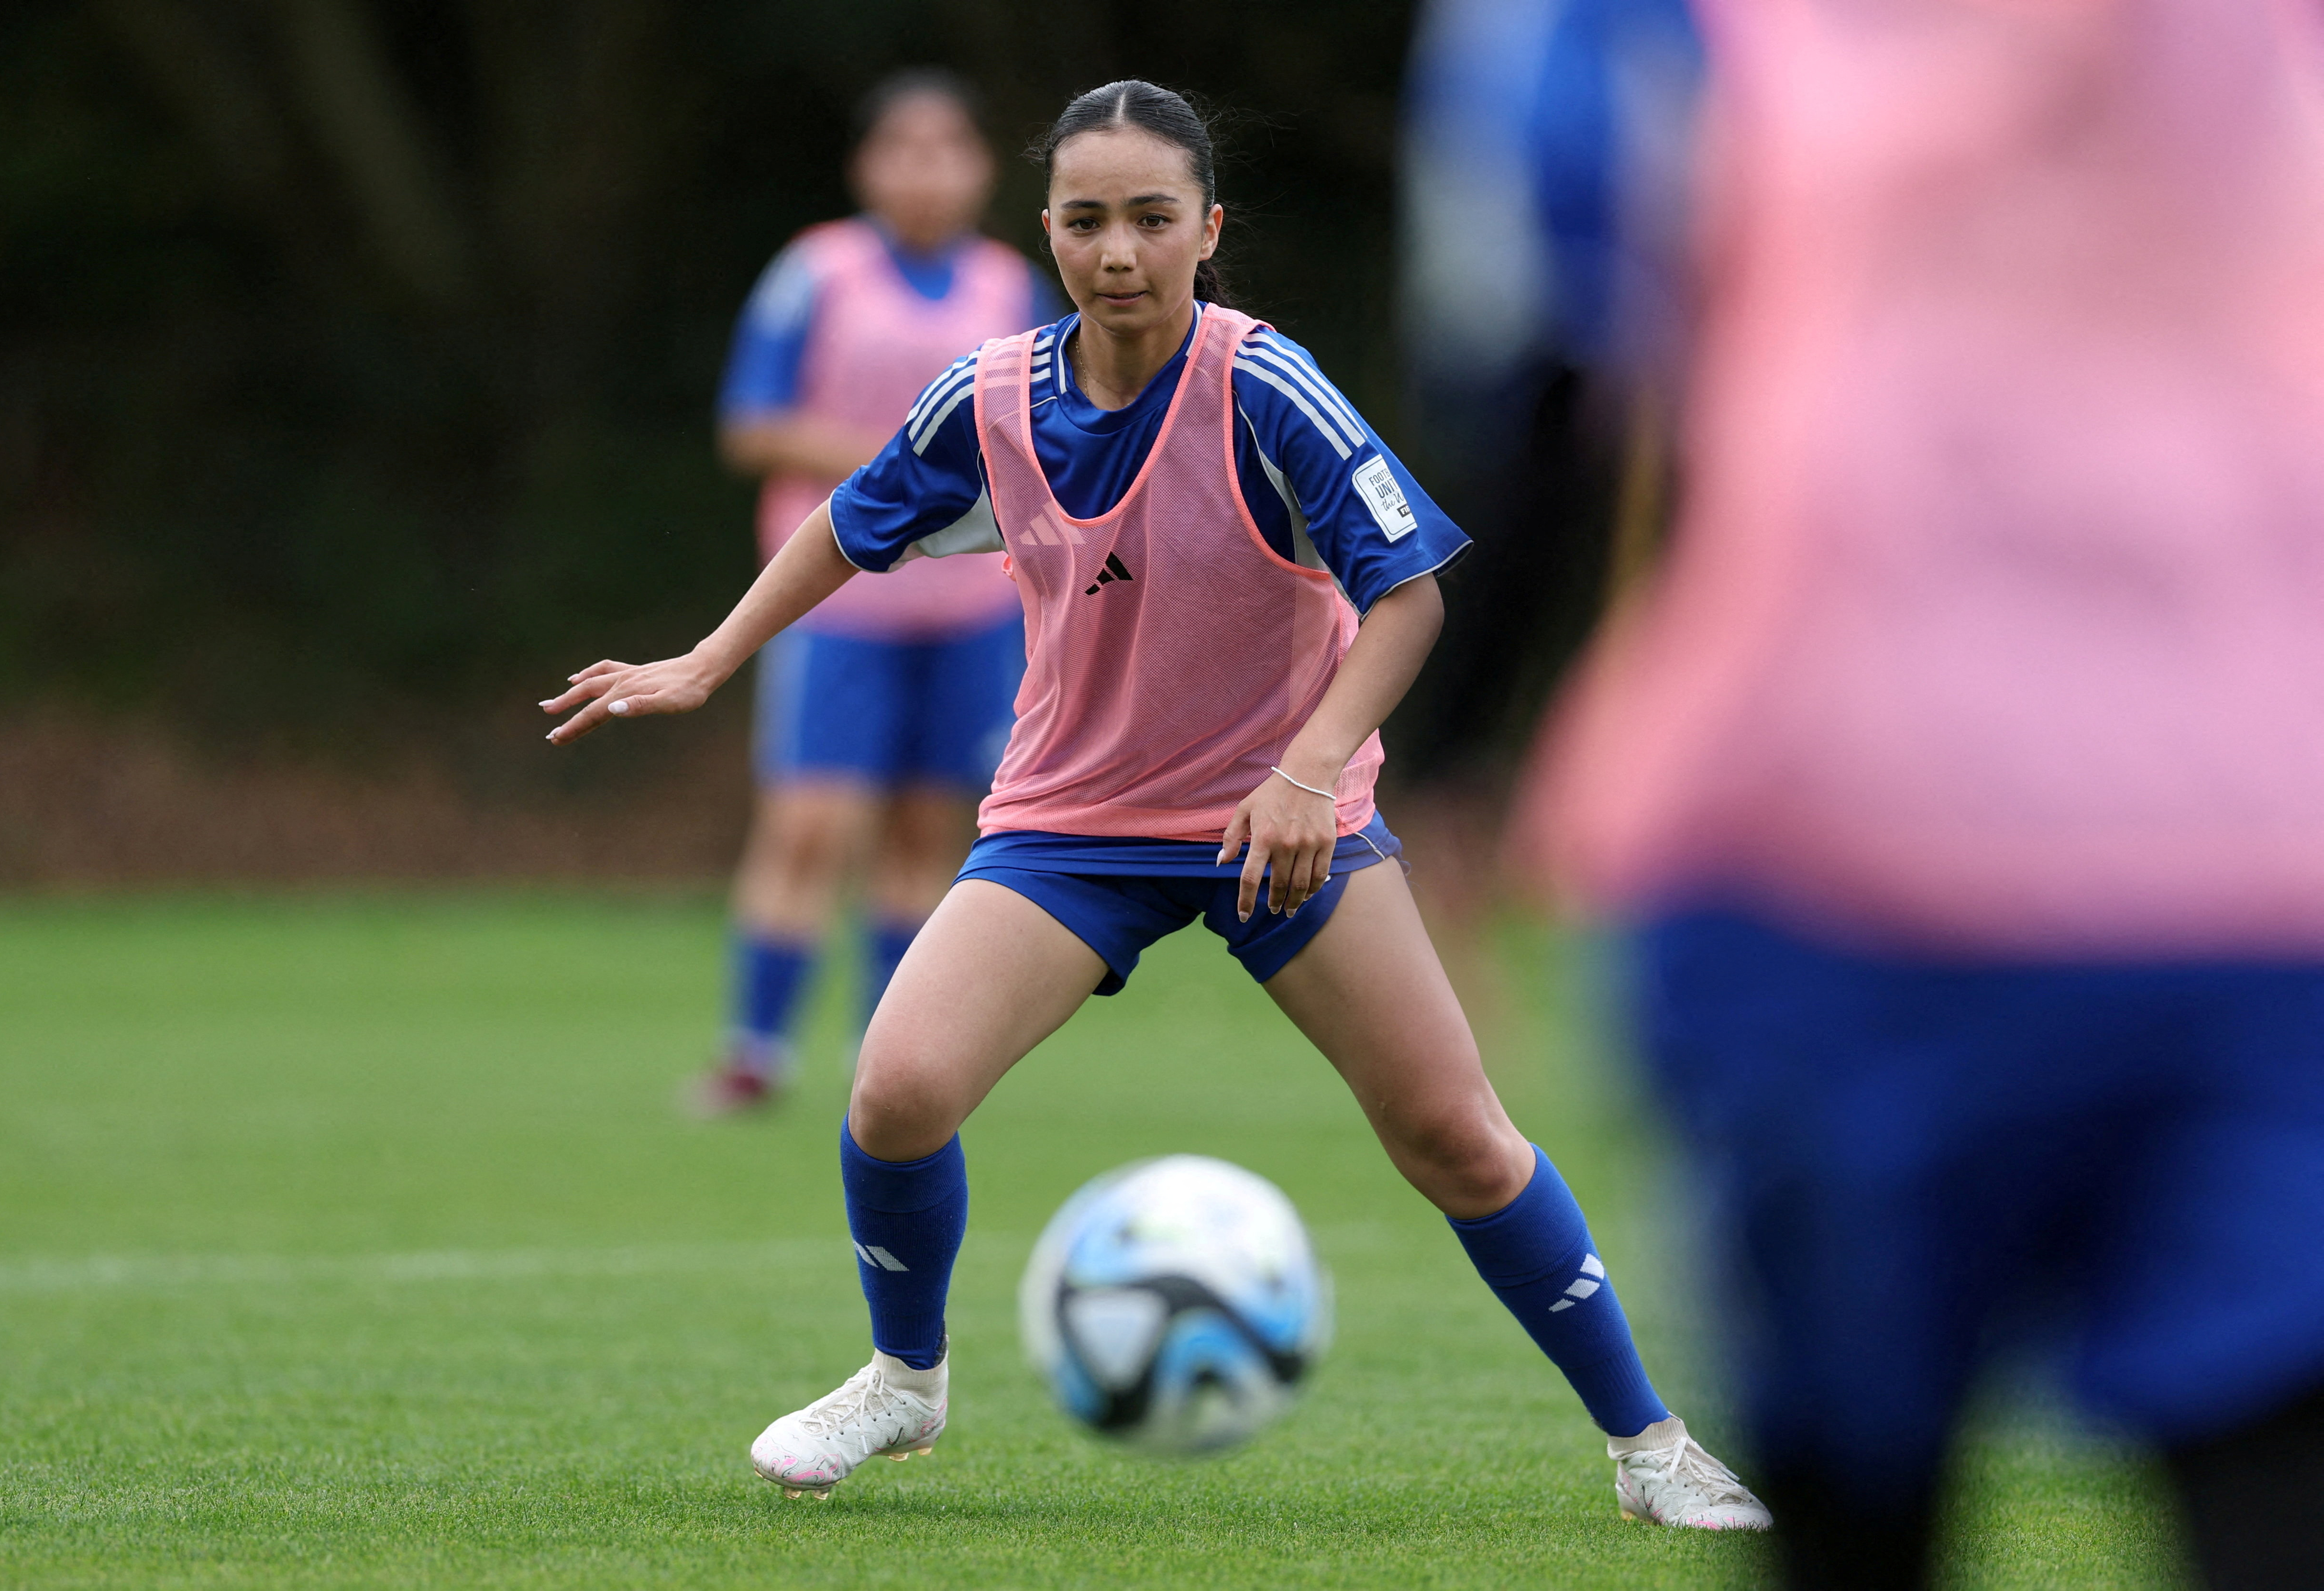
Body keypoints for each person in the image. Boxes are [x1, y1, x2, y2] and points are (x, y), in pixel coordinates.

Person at [545, 79, 1768, 1531]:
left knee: (1453, 1133)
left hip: (1280, 823)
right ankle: (904, 1376)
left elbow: (1409, 597)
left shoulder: (1263, 385)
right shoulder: (990, 394)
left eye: (1148, 217)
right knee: (894, 1092)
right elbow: (848, 520)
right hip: (1070, 828)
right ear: (1048, 232)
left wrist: (1307, 770)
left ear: (1206, 229)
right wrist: (709, 656)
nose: (1115, 248)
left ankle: (1650, 1443)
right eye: (1083, 218)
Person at [1514, 1, 2324, 1584]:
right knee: (2275, 1457)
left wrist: (1493, 740)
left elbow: (1569, 351)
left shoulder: (1639, 31)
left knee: (1856, 1499)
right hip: (2255, 835)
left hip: (1836, 836)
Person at [705, 69, 1058, 1110]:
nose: (926, 170)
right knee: (811, 824)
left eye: (947, 148)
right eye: (903, 148)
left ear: (981, 167)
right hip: (839, 606)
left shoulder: (1010, 286)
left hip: (968, 609)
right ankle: (752, 1051)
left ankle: (888, 1052)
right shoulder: (817, 273)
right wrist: (900, 463)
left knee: (923, 833)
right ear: (866, 167)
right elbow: (751, 424)